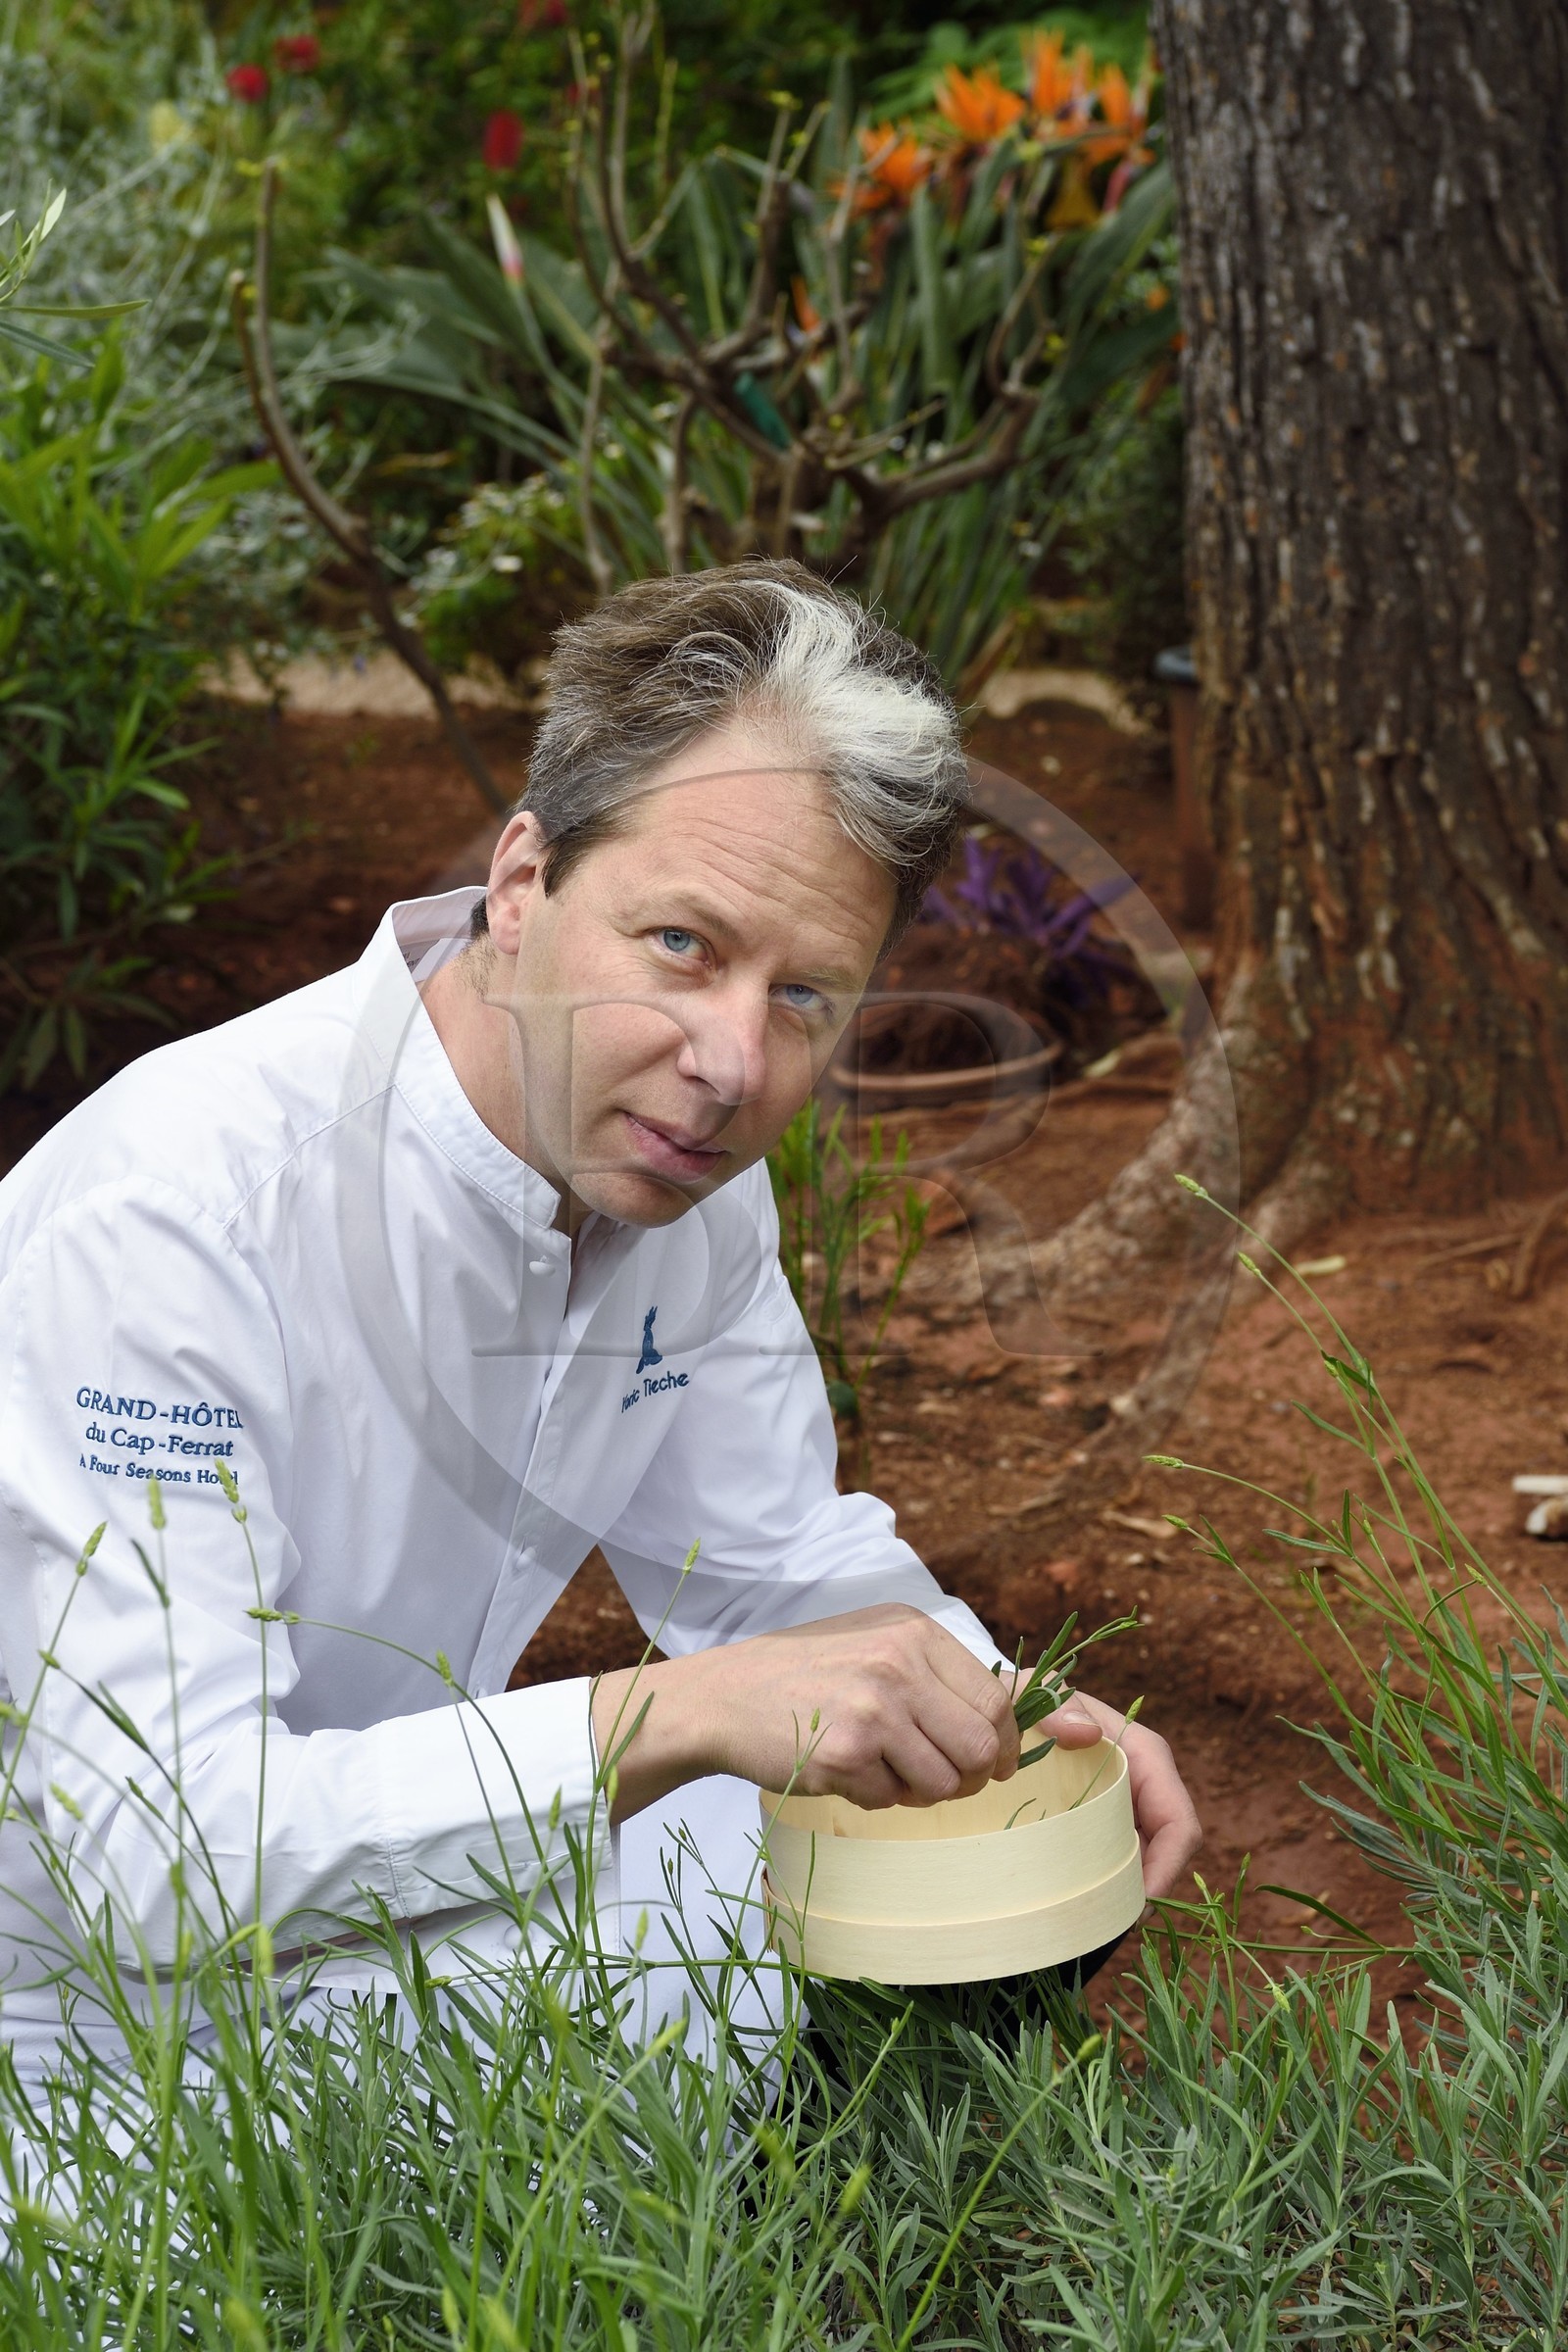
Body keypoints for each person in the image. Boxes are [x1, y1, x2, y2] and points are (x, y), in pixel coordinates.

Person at [0, 562, 1200, 2074]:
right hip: (78, 2023)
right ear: (522, 883)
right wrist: (668, 1713)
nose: (731, 1062)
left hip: (356, 1920)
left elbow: (773, 1566)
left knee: (805, 1858)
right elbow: (153, 1856)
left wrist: (1005, 1718)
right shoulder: (180, 1215)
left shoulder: (669, 1175)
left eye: (808, 996)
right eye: (683, 945)